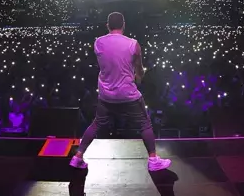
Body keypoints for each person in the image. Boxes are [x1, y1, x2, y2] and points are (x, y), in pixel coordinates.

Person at [70, 12, 171, 171]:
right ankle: (153, 160)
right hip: (127, 94)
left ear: (107, 25)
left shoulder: (98, 43)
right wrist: (139, 77)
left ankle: (78, 157)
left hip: (106, 95)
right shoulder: (133, 44)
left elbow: (105, 63)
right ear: (124, 25)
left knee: (96, 124)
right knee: (145, 124)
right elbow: (139, 71)